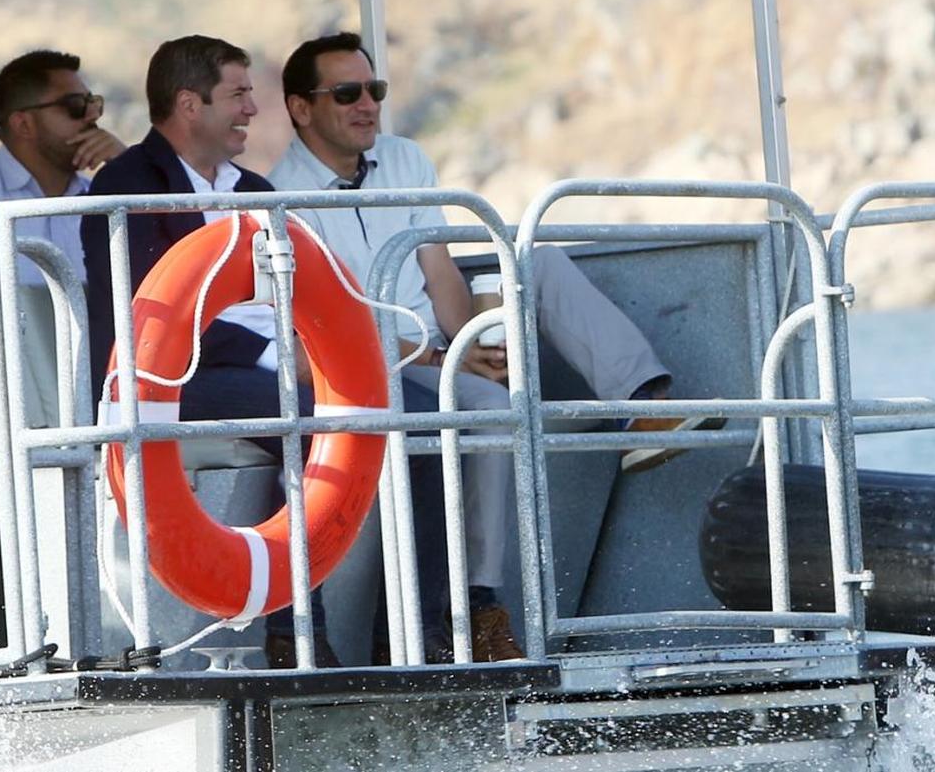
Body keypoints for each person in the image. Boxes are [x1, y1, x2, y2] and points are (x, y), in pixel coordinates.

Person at [269, 32, 725, 663]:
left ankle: (642, 402)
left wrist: (470, 341)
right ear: (300, 108)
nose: (367, 105)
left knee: (536, 259)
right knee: (484, 409)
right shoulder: (276, 196)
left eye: (375, 90)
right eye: (347, 93)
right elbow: (320, 329)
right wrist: (443, 361)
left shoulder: (405, 160)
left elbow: (438, 271)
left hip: (432, 352)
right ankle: (482, 607)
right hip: (369, 366)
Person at [81, 35, 448, 667]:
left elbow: (308, 293)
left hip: (279, 361)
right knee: (302, 415)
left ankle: (412, 630)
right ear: (190, 105)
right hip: (183, 378)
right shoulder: (126, 187)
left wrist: (308, 351)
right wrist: (279, 359)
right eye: (240, 95)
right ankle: (293, 631)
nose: (253, 109)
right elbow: (151, 319)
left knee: (417, 416)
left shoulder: (251, 185)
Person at [0, 49, 125, 647]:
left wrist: (126, 171)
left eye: (93, 104)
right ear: (23, 122)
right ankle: (26, 647)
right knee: (0, 471)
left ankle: (57, 647)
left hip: (86, 402)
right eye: (74, 106)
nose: (91, 117)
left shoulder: (102, 196)